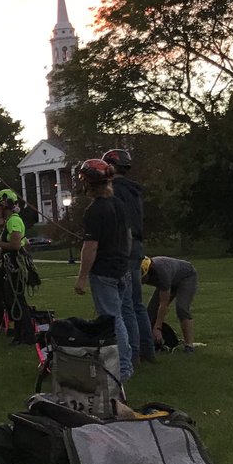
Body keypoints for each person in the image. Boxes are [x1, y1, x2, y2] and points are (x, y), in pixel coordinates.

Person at [73, 158, 134, 382]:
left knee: (112, 320)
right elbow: (127, 236)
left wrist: (81, 278)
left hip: (105, 272)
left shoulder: (94, 210)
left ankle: (123, 369)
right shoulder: (118, 204)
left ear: (88, 183)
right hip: (121, 269)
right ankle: (120, 363)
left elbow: (90, 247)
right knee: (121, 317)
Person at [104, 148, 155, 365]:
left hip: (124, 246)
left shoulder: (114, 190)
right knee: (137, 303)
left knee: (125, 304)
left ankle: (132, 355)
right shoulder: (134, 191)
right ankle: (147, 350)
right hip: (138, 246)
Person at [0, 188, 33, 345]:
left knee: (17, 301)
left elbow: (16, 244)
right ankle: (20, 335)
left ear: (5, 204)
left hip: (15, 267)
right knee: (13, 301)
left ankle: (26, 335)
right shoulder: (12, 221)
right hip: (12, 267)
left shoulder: (13, 221)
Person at [142, 255, 200, 352]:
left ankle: (189, 345)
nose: (142, 281)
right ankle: (151, 344)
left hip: (186, 277)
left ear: (149, 271)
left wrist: (158, 328)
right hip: (171, 278)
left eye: (143, 278)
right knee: (150, 312)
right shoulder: (138, 271)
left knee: (182, 308)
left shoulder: (161, 274)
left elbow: (163, 304)